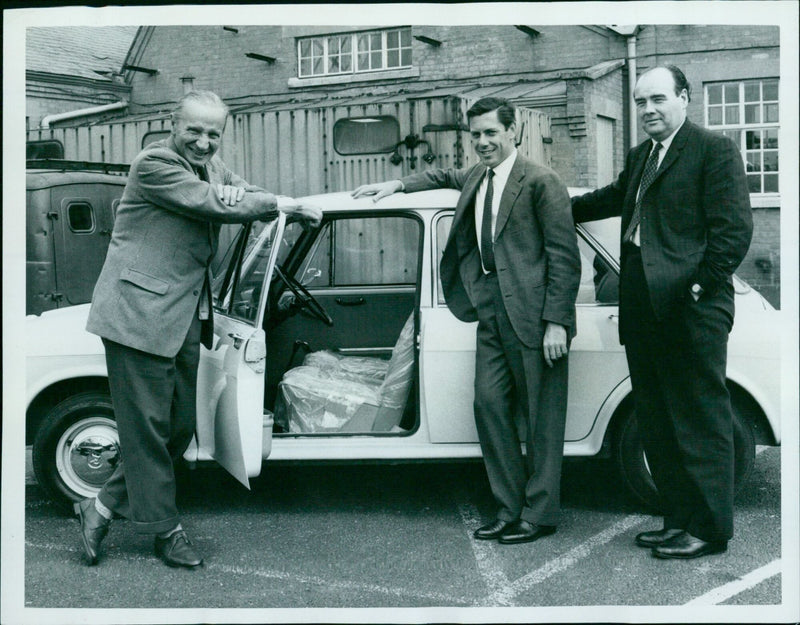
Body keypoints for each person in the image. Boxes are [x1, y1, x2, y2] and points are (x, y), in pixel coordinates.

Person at [78, 90, 321, 568]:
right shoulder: (154, 164)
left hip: (185, 314)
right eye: (195, 130)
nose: (204, 142)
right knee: (148, 431)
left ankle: (100, 503)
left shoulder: (214, 168)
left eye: (214, 133)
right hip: (137, 315)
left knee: (179, 427)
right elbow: (213, 203)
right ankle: (165, 531)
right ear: (173, 123)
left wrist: (244, 195)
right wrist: (282, 203)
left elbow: (241, 193)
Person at [353, 97, 580, 545]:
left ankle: (540, 513)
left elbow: (564, 257)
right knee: (489, 406)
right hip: (491, 309)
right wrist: (397, 184)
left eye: (491, 133)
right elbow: (442, 175)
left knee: (541, 419)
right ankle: (508, 506)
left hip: (535, 315)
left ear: (513, 132)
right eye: (475, 134)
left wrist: (557, 321)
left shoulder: (541, 181)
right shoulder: (477, 175)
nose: (482, 142)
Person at [572, 65, 753, 559]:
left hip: (691, 311)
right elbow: (609, 199)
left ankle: (711, 529)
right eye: (640, 102)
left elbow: (733, 233)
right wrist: (547, 206)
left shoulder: (713, 150)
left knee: (700, 421)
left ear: (684, 98)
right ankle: (678, 521)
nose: (648, 110)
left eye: (658, 99)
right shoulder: (641, 156)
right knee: (659, 424)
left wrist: (696, 289)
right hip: (643, 311)